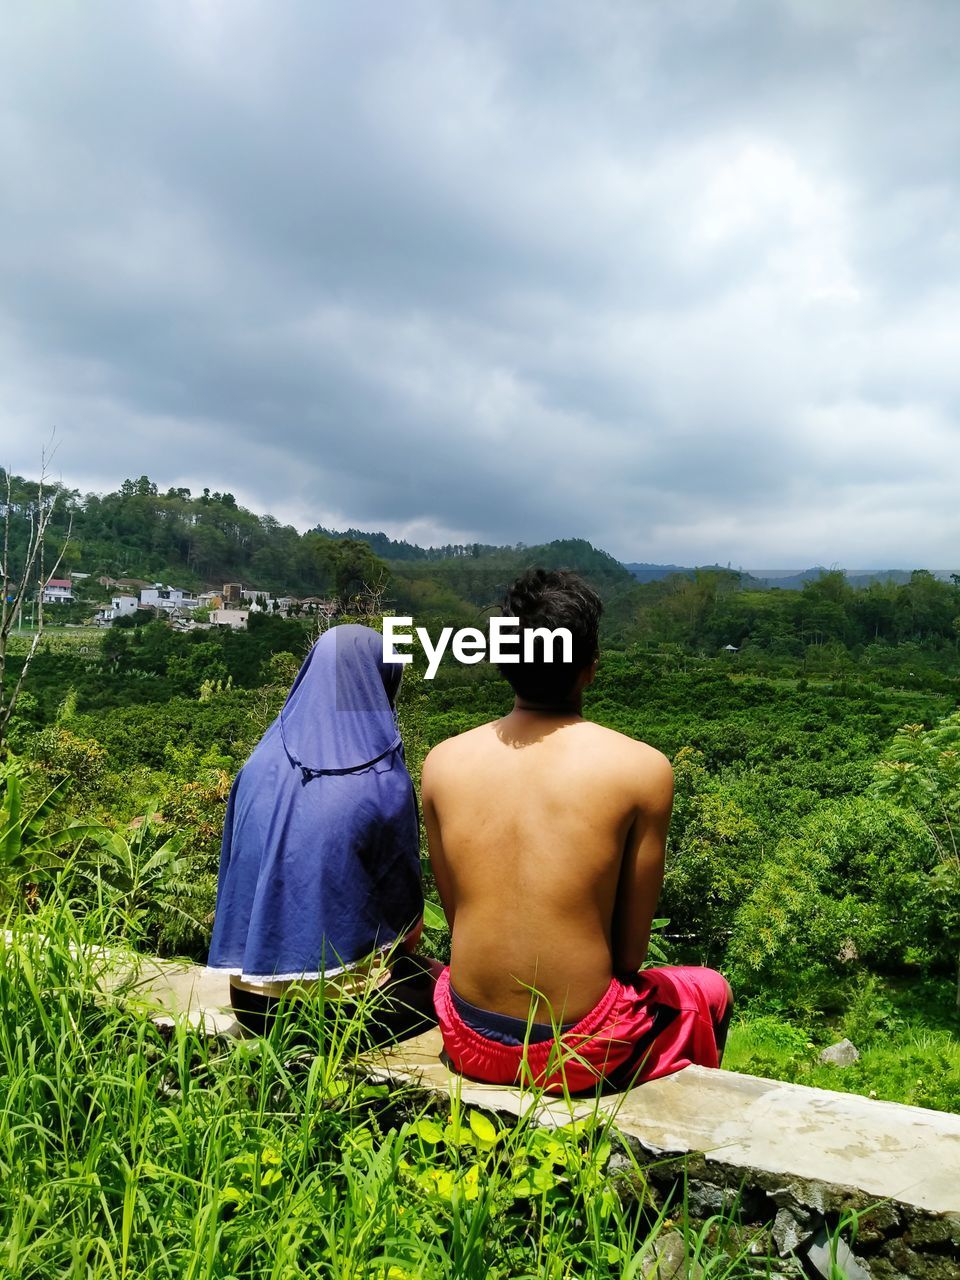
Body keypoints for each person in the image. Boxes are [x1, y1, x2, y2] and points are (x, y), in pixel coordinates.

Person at [421, 569, 732, 1094]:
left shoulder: (442, 762)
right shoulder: (643, 769)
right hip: (578, 1050)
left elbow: (457, 920)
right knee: (710, 988)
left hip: (467, 1035)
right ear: (589, 669)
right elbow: (630, 958)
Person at [207, 623, 436, 1044]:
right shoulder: (383, 778)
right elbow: (410, 928)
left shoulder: (256, 767)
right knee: (441, 985)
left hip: (250, 1005)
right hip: (333, 1018)